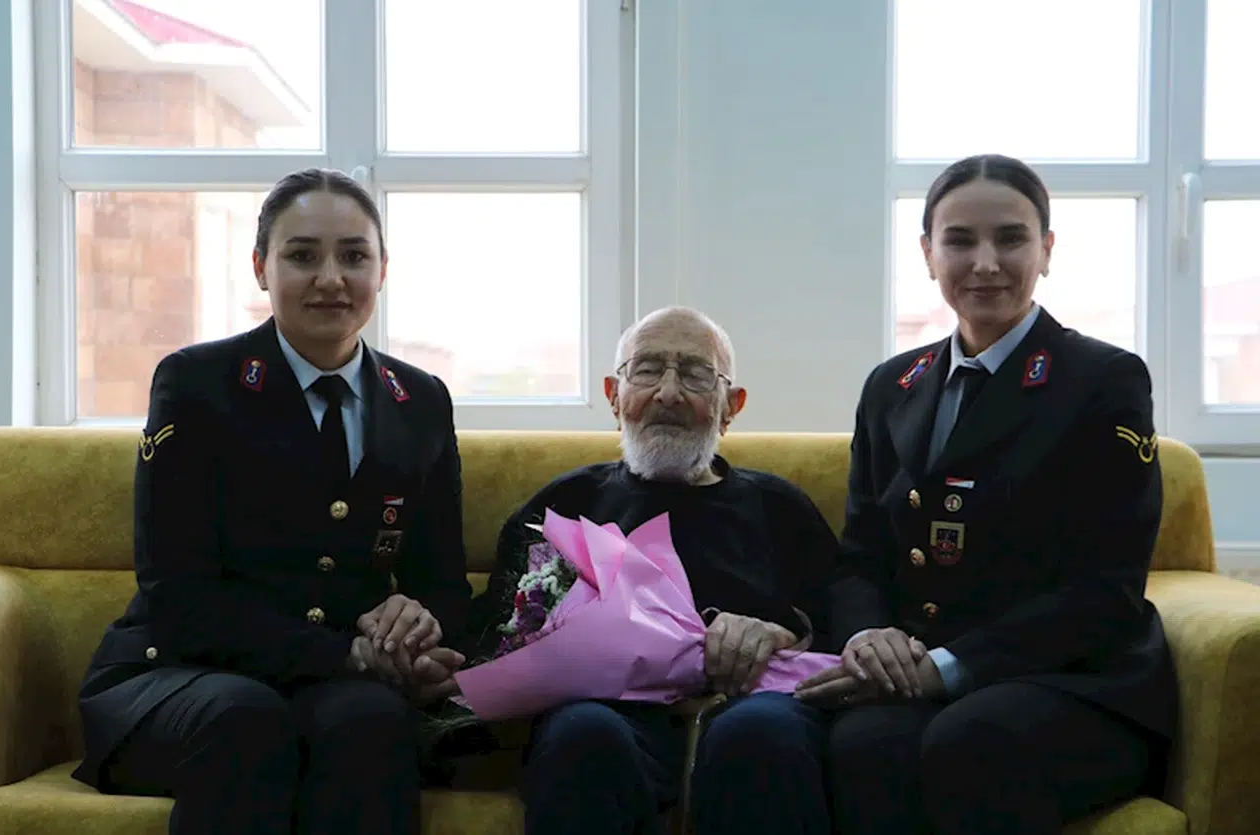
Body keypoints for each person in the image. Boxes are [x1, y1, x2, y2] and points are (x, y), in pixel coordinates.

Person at [72, 168, 472, 835]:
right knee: (246, 720)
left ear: (382, 270)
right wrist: (346, 654)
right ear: (261, 268)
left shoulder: (420, 400)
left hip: (330, 687)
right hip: (178, 674)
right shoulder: (198, 385)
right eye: (302, 255)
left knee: (374, 722)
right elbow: (177, 594)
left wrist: (418, 625)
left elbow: (444, 583)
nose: (331, 278)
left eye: (354, 256)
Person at [794, 153, 1177, 835]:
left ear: (1046, 250)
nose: (986, 263)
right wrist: (868, 636)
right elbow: (860, 555)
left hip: (1075, 680)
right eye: (960, 241)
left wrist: (948, 667)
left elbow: (1106, 587)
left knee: (970, 739)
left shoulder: (1103, 380)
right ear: (928, 254)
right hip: (925, 670)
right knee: (864, 743)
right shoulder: (892, 387)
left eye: (1010, 238)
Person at [467, 306, 837, 835]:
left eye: (695, 374)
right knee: (581, 734)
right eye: (646, 370)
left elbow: (839, 623)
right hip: (610, 718)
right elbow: (496, 630)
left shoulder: (781, 507)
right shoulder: (566, 503)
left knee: (760, 734)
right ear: (614, 396)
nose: (668, 393)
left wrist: (785, 633)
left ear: (731, 406)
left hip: (751, 705)